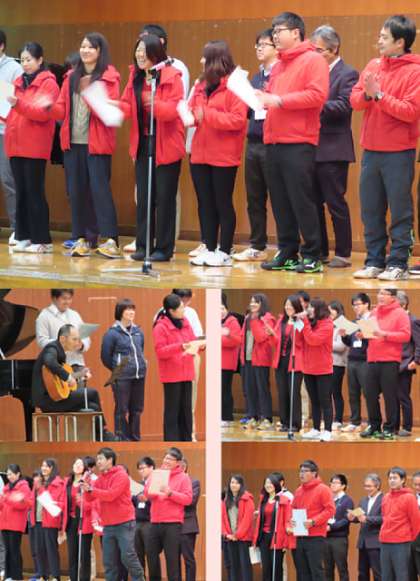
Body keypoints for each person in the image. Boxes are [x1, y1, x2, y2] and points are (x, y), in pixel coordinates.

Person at [259, 11, 329, 274]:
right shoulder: (279, 65)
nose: (275, 36)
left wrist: (279, 100)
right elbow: (272, 97)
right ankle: (288, 251)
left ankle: (312, 254)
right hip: (273, 140)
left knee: (302, 200)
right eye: (273, 31)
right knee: (280, 201)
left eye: (279, 31)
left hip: (298, 141)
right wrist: (261, 97)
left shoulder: (313, 59)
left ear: (296, 33)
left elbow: (317, 95)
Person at [351, 15, 420, 281]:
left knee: (400, 210)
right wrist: (367, 94)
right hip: (371, 150)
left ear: (400, 42)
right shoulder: (373, 65)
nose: (378, 40)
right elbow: (355, 100)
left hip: (399, 152)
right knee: (371, 210)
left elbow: (410, 111)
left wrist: (379, 95)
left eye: (384, 37)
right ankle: (374, 261)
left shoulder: (415, 71)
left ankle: (398, 263)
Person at [49, 32, 122, 259]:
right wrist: (48, 106)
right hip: (73, 143)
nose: (85, 50)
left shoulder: (109, 77)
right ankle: (81, 238)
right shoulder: (71, 77)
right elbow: (61, 109)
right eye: (83, 46)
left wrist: (93, 95)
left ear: (100, 51)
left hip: (96, 144)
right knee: (76, 193)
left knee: (100, 191)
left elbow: (110, 111)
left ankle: (110, 240)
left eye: (90, 47)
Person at [117, 34, 184, 263]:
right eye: (137, 50)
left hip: (167, 143)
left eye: (144, 51)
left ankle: (164, 249)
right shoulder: (135, 76)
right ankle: (143, 245)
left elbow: (172, 111)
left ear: (156, 53)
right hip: (143, 142)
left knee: (164, 198)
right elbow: (127, 106)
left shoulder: (173, 76)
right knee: (144, 197)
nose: (139, 54)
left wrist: (153, 102)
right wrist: (112, 105)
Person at [188, 40, 248, 267]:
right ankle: (210, 247)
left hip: (223, 155)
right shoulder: (201, 84)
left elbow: (237, 120)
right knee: (205, 203)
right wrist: (190, 114)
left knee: (223, 202)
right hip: (200, 152)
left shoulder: (235, 85)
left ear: (215, 59)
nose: (201, 61)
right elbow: (194, 110)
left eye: (205, 57)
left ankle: (224, 250)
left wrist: (207, 114)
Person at [310, 25, 359, 268]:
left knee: (335, 202)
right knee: (313, 202)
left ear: (334, 49)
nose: (315, 55)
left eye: (319, 50)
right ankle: (319, 251)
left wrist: (313, 102)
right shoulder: (312, 73)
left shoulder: (348, 73)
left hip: (333, 148)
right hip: (310, 145)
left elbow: (343, 106)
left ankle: (343, 253)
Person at [4, 41, 59, 253]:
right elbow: (12, 112)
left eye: (29, 59)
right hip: (15, 143)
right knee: (21, 193)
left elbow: (42, 113)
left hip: (35, 145)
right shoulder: (18, 82)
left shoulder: (49, 83)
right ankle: (23, 236)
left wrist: (17, 104)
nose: (25, 64)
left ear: (40, 60)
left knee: (35, 192)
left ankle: (42, 239)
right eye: (23, 60)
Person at [232, 28, 277, 263]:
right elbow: (249, 111)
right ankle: (257, 245)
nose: (259, 48)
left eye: (264, 44)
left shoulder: (281, 74)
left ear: (276, 47)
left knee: (279, 197)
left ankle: (286, 246)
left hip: (274, 143)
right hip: (254, 142)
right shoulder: (256, 77)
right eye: (257, 44)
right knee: (254, 197)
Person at [32, 323, 114, 440]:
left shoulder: (60, 353)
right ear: (62, 339)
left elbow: (59, 382)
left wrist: (79, 377)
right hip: (49, 400)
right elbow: (49, 362)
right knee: (93, 393)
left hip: (56, 397)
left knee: (93, 406)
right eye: (74, 339)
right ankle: (104, 433)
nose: (77, 343)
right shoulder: (52, 348)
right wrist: (68, 377)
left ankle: (98, 437)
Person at [81, 448, 145, 581]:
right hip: (108, 525)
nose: (98, 462)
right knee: (109, 561)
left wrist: (92, 489)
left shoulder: (121, 475)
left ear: (110, 460)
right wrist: (86, 488)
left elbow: (111, 495)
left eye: (101, 458)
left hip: (124, 523)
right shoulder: (100, 478)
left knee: (127, 556)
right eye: (97, 459)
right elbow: (89, 499)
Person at [360, 289, 411, 439]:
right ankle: (374, 425)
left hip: (390, 360)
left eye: (384, 294)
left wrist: (386, 334)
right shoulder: (374, 312)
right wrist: (363, 334)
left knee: (389, 396)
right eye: (379, 293)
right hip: (372, 359)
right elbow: (371, 333)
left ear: (392, 297)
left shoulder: (400, 313)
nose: (380, 296)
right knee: (369, 394)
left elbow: (406, 335)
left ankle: (389, 428)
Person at [153, 293, 202, 441]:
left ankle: (187, 440)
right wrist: (180, 347)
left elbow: (192, 340)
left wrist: (199, 345)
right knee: (172, 412)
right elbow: (160, 352)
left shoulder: (185, 322)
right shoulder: (160, 327)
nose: (183, 310)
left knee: (186, 411)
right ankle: (172, 441)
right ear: (171, 311)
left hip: (187, 372)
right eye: (180, 308)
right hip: (172, 375)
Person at [144, 447, 193, 581]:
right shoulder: (156, 474)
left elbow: (188, 499)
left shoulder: (183, 478)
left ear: (178, 462)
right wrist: (151, 490)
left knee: (172, 560)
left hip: (172, 524)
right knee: (151, 555)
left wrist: (171, 493)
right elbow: (147, 493)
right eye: (165, 457)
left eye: (170, 459)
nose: (166, 461)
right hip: (155, 522)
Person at [101, 298, 147, 441]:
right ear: (120, 312)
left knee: (137, 410)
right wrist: (119, 369)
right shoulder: (112, 333)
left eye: (133, 309)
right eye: (128, 309)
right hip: (121, 377)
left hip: (139, 375)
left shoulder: (138, 332)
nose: (131, 312)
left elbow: (140, 350)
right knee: (122, 409)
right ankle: (122, 439)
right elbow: (105, 356)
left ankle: (135, 438)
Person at [289, 460, 335, 581]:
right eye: (300, 471)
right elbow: (293, 508)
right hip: (300, 536)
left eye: (305, 471)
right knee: (302, 572)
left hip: (316, 537)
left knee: (316, 572)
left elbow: (330, 510)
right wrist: (292, 519)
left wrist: (313, 521)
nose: (301, 474)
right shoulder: (299, 490)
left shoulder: (323, 489)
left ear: (314, 473)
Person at [300, 298, 334, 441]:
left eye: (311, 307)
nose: (308, 310)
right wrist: (297, 322)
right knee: (314, 401)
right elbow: (299, 339)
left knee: (325, 401)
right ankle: (315, 428)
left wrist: (305, 322)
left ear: (319, 309)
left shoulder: (327, 324)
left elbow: (313, 340)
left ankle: (328, 430)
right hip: (308, 368)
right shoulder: (310, 323)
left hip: (323, 369)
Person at [240, 294, 276, 431]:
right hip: (248, 358)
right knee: (250, 389)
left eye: (256, 302)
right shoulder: (248, 318)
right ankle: (253, 417)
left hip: (261, 359)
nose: (252, 304)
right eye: (251, 302)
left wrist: (254, 320)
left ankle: (267, 418)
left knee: (262, 389)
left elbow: (261, 337)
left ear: (262, 304)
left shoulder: (268, 318)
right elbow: (243, 337)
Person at [0, 29, 22, 246]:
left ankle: (17, 228)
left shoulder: (14, 68)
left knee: (8, 180)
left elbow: (19, 100)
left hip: (5, 131)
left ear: (1, 46)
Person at [172, 290, 204, 441]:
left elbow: (198, 337)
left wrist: (199, 344)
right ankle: (175, 435)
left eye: (187, 301)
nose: (185, 304)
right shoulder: (161, 314)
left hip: (191, 357)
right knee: (174, 400)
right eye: (182, 301)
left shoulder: (191, 313)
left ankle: (190, 434)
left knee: (190, 398)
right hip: (173, 360)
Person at [379, 467, 420, 581]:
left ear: (403, 480)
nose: (392, 480)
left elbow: (416, 522)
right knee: (386, 576)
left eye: (395, 478)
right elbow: (384, 517)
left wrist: (407, 537)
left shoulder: (409, 497)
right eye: (390, 478)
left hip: (401, 543)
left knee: (401, 575)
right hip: (385, 541)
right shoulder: (386, 497)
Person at [253, 473, 295, 581]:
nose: (268, 485)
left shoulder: (283, 500)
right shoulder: (263, 499)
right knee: (266, 568)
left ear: (276, 484)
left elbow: (288, 518)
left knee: (276, 568)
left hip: (276, 537)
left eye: (270, 483)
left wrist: (287, 532)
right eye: (266, 483)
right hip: (263, 537)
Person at [271, 294, 304, 433]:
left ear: (296, 307)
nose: (287, 307)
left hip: (294, 361)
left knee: (293, 393)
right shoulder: (281, 321)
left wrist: (297, 321)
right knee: (282, 392)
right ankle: (284, 422)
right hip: (280, 361)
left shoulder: (300, 322)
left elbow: (301, 341)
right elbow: (276, 343)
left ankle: (295, 423)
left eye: (290, 305)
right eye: (286, 305)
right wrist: (272, 334)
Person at [36, 288, 91, 367]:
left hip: (77, 363)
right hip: (57, 365)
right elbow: (42, 341)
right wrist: (62, 343)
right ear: (54, 298)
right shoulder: (44, 316)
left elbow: (86, 337)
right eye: (64, 298)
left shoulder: (75, 314)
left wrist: (82, 345)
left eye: (70, 298)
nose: (67, 302)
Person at [340, 293, 371, 432]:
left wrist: (364, 336)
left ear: (366, 304)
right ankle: (355, 421)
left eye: (358, 304)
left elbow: (373, 341)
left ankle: (372, 422)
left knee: (368, 393)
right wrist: (344, 336)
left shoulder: (370, 320)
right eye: (354, 305)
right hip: (352, 360)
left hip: (365, 361)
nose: (355, 307)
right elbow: (350, 342)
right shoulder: (353, 322)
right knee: (353, 393)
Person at [30, 458, 65, 581]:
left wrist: (41, 488)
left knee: (51, 550)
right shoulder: (39, 482)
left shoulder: (57, 483)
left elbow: (55, 503)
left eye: (46, 466)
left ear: (52, 468)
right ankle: (43, 575)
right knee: (39, 550)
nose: (43, 468)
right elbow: (32, 500)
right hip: (37, 521)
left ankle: (55, 576)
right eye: (42, 466)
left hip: (50, 522)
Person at [62, 458, 94, 581]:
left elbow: (93, 504)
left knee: (84, 555)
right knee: (72, 554)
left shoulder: (88, 482)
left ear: (85, 468)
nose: (77, 466)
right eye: (76, 463)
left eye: (80, 464)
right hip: (70, 522)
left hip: (84, 521)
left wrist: (81, 501)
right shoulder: (67, 482)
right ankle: (73, 578)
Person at [348, 473, 383, 581]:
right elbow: (359, 517)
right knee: (362, 573)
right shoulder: (363, 500)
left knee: (378, 573)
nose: (367, 489)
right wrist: (352, 517)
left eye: (369, 486)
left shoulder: (384, 499)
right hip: (363, 542)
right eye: (365, 486)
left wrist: (367, 518)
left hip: (376, 542)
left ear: (377, 486)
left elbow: (384, 518)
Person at [0, 464, 31, 581]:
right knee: (7, 551)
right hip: (4, 523)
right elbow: (2, 505)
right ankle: (8, 576)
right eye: (8, 474)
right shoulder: (6, 487)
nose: (9, 476)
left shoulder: (24, 487)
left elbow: (23, 505)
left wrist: (8, 499)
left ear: (18, 474)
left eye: (11, 474)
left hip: (16, 524)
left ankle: (17, 577)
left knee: (14, 551)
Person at [395, 291, 420, 437]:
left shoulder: (413, 320)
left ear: (403, 305)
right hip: (393, 363)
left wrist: (416, 361)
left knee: (403, 396)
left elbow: (419, 343)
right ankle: (394, 426)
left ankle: (407, 427)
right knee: (393, 397)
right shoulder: (395, 321)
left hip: (406, 364)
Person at [222, 474, 254, 581]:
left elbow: (247, 520)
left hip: (244, 538)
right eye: (232, 482)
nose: (234, 485)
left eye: (237, 483)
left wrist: (237, 535)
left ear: (241, 485)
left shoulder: (247, 499)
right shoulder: (226, 499)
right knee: (233, 566)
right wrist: (227, 534)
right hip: (230, 538)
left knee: (245, 566)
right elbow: (223, 518)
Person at [324, 474, 354, 581]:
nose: (333, 485)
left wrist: (331, 527)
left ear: (343, 486)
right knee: (327, 569)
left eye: (336, 483)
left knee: (342, 568)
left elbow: (346, 520)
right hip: (326, 538)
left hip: (339, 539)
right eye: (332, 482)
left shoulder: (347, 500)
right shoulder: (328, 499)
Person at [133, 457, 156, 576]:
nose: (141, 470)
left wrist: (148, 499)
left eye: (143, 468)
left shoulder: (156, 484)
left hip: (150, 523)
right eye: (139, 468)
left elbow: (160, 502)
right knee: (138, 555)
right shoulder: (139, 485)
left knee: (151, 554)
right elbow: (133, 502)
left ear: (151, 467)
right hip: (137, 523)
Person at [221, 294, 242, 425]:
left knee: (225, 390)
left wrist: (221, 338)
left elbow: (237, 340)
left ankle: (227, 417)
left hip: (227, 363)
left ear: (226, 309)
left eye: (222, 308)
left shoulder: (232, 321)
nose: (220, 311)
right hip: (216, 362)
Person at [329, 301, 349, 430]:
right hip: (327, 364)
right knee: (327, 392)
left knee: (336, 392)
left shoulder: (343, 324)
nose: (329, 312)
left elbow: (341, 346)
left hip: (338, 364)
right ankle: (329, 418)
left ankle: (338, 419)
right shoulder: (329, 324)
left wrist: (324, 343)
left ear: (338, 310)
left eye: (332, 309)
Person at [180, 458, 200, 581]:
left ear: (184, 467)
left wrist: (173, 496)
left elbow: (190, 502)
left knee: (188, 559)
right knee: (173, 560)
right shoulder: (169, 483)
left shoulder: (194, 482)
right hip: (172, 525)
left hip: (187, 526)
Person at [409, 471, 420, 581]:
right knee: (410, 575)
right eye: (415, 484)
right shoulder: (411, 499)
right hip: (410, 545)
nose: (417, 487)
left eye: (419, 485)